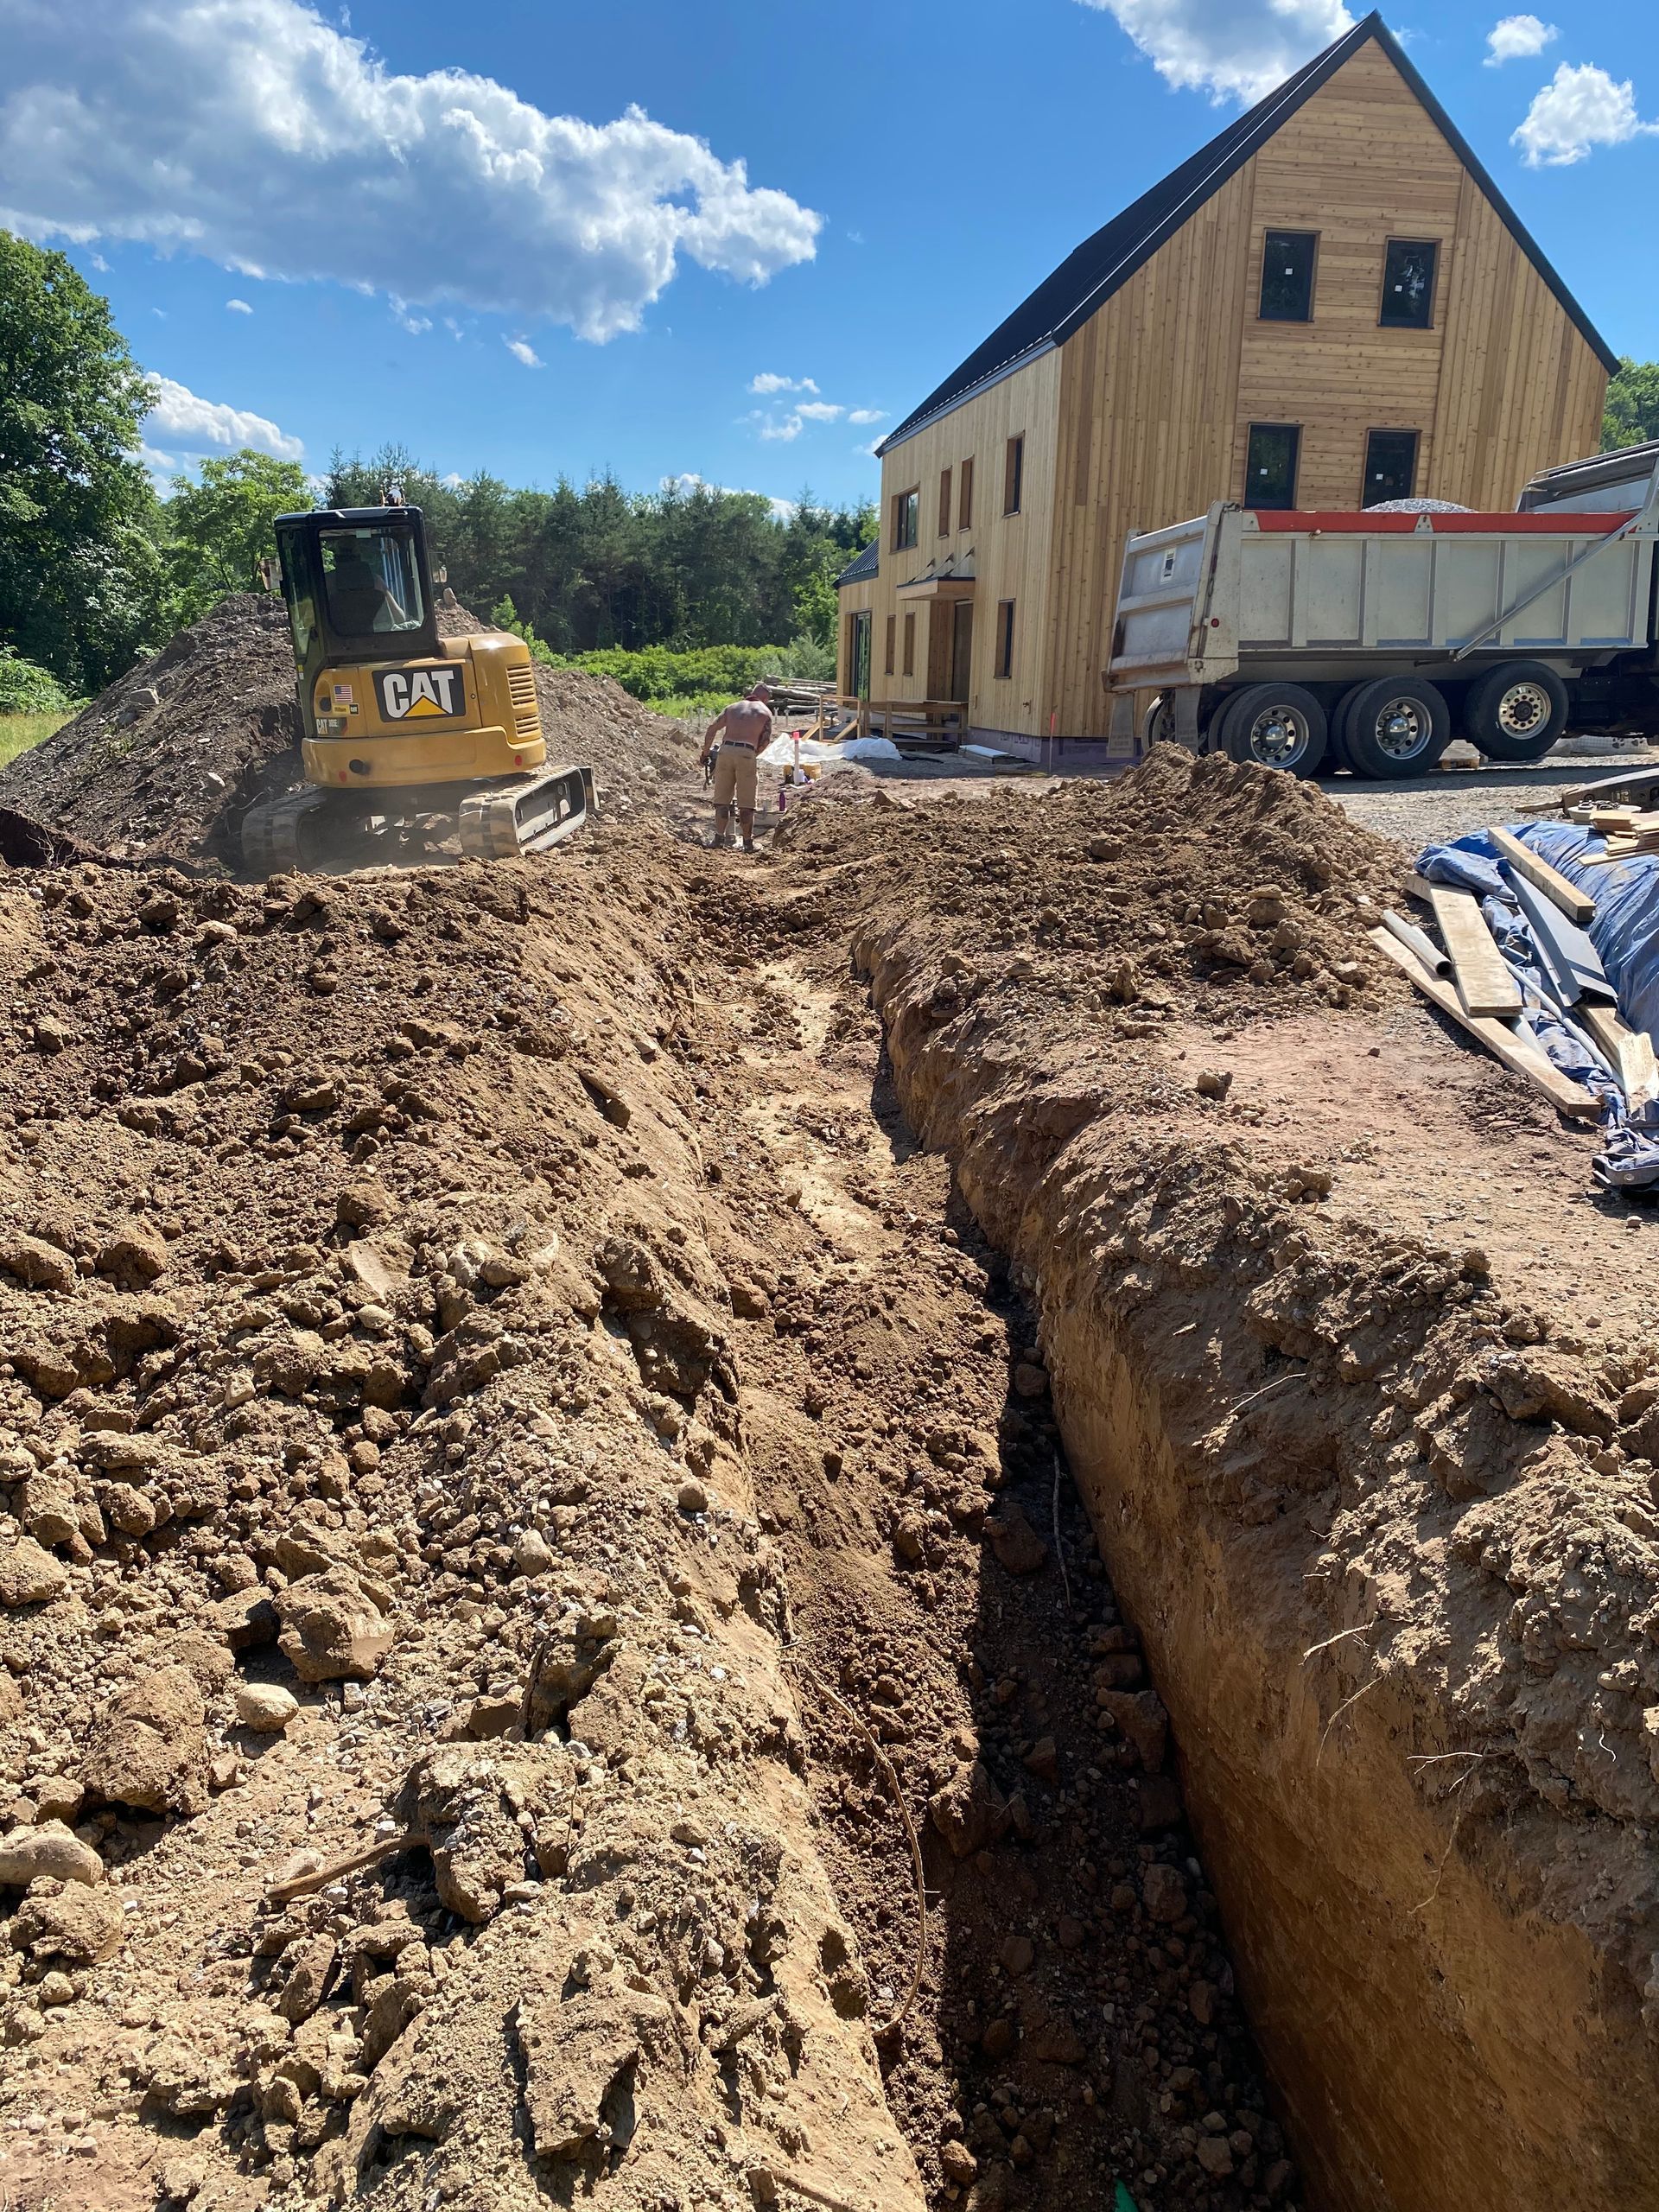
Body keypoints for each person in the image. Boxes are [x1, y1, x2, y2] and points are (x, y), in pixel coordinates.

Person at [699, 684, 772, 851]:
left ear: (752, 693)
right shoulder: (765, 712)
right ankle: (748, 843)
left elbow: (712, 729)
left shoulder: (732, 708)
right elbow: (765, 740)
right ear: (765, 699)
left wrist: (705, 753)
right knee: (746, 803)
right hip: (747, 752)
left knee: (722, 800)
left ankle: (718, 839)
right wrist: (752, 754)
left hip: (725, 751)